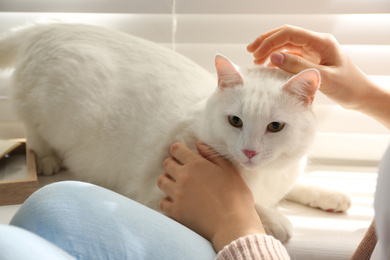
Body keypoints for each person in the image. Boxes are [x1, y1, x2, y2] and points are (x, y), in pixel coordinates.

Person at [0, 24, 389, 259]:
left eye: (274, 128)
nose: (250, 149)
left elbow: (177, 201)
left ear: (307, 104)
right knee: (49, 201)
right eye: (235, 121)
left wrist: (246, 219)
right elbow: (160, 190)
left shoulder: (260, 146)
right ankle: (41, 139)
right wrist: (370, 96)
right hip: (70, 64)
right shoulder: (198, 139)